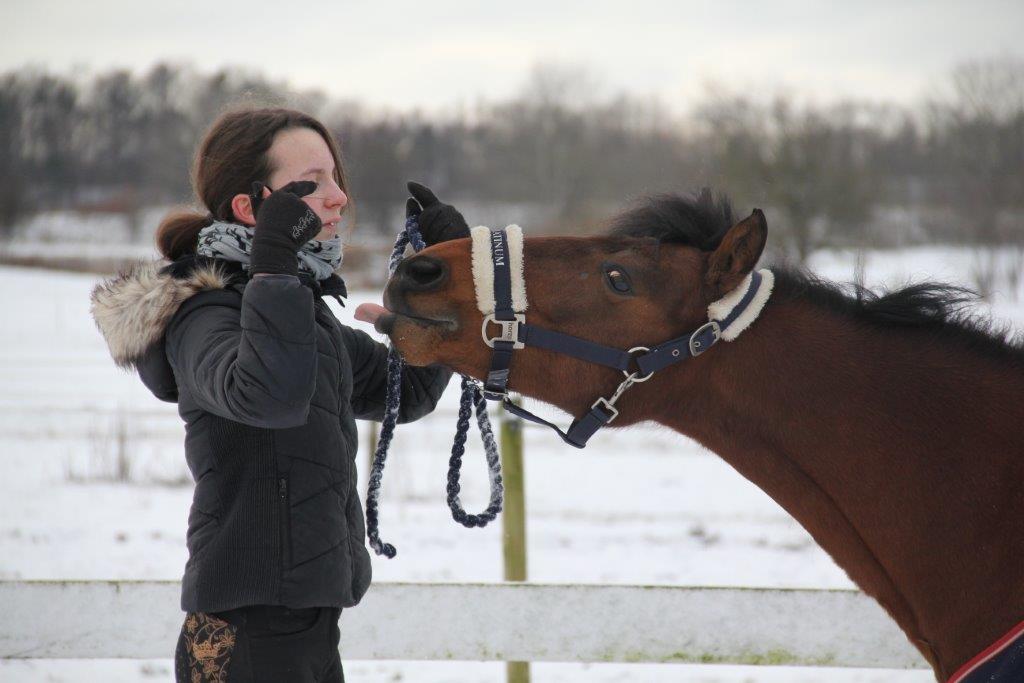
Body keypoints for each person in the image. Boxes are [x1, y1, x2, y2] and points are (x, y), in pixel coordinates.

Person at [89, 107, 469, 682]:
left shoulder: (302, 314)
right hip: (245, 632)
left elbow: (407, 391)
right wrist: (274, 265)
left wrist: (444, 284)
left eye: (336, 178)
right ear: (252, 208)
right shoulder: (204, 315)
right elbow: (269, 396)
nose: (339, 197)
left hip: (308, 628)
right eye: (312, 183)